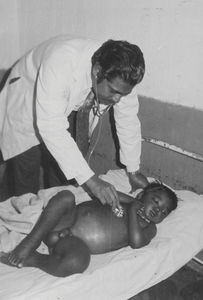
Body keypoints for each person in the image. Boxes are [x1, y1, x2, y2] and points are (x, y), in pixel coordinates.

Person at [0, 36, 148, 207]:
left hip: (67, 103)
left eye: (123, 94)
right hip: (27, 101)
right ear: (97, 71)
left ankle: (53, 213)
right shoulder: (61, 63)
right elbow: (52, 127)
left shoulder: (124, 75)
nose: (117, 99)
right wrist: (91, 180)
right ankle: (17, 221)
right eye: (114, 91)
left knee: (63, 173)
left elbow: (128, 120)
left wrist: (133, 169)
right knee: (25, 175)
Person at [0, 182, 178, 277]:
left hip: (73, 243)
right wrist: (132, 202)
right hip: (64, 220)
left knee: (78, 263)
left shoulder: (149, 228)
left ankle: (35, 259)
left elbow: (137, 242)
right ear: (141, 196)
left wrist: (132, 212)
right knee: (65, 197)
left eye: (164, 211)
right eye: (155, 201)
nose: (158, 209)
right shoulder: (129, 201)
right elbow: (108, 194)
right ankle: (31, 242)